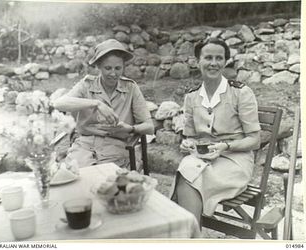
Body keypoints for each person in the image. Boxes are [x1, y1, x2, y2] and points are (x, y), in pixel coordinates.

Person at [170, 38, 261, 229]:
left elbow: (255, 140)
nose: (213, 63)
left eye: (219, 58)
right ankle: (193, 236)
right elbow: (190, 137)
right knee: (187, 169)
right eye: (208, 57)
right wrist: (187, 144)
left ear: (226, 61)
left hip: (235, 161)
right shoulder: (192, 96)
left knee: (187, 176)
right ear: (197, 61)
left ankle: (190, 237)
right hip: (202, 158)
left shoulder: (240, 93)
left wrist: (225, 146)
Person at [52, 39, 154, 168]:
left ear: (123, 67)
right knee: (77, 178)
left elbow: (149, 127)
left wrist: (130, 129)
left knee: (107, 181)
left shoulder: (131, 88)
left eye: (118, 68)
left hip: (116, 146)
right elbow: (58, 103)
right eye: (107, 68)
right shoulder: (86, 85)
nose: (113, 73)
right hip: (84, 146)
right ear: (99, 66)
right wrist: (96, 104)